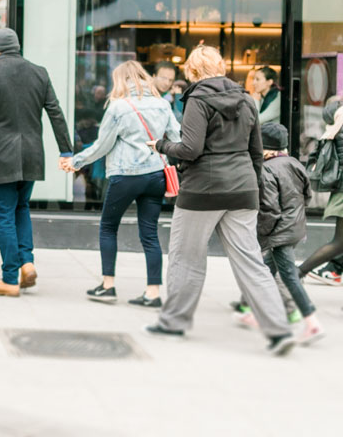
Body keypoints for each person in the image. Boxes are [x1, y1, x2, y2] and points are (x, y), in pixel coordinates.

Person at [144, 45, 295, 355]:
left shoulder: (197, 99)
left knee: (187, 258)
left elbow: (191, 149)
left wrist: (159, 145)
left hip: (203, 191)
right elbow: (256, 150)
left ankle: (174, 322)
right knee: (251, 262)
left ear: (194, 71)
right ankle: (279, 330)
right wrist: (253, 185)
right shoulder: (246, 99)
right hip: (242, 189)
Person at [61, 61, 179, 307]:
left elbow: (102, 145)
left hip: (126, 175)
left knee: (108, 227)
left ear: (121, 80)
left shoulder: (118, 107)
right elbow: (177, 137)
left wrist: (77, 161)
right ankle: (153, 293)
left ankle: (108, 286)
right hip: (156, 174)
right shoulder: (162, 104)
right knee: (150, 234)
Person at [0, 28, 72, 297]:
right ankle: (27, 263)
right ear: (17, 46)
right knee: (21, 208)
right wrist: (66, 151)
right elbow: (55, 113)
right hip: (33, 154)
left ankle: (9, 278)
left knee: (4, 215)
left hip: (2, 155)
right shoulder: (40, 72)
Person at [234, 123, 324, 344]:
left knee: (289, 277)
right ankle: (253, 312)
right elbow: (307, 196)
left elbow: (270, 209)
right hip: (294, 228)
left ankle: (312, 323)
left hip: (278, 233)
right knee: (264, 269)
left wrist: (260, 235)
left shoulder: (267, 169)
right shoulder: (294, 163)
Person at [299, 98, 343, 280]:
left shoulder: (335, 129)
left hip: (340, 191)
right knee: (339, 242)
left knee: (340, 242)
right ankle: (297, 272)